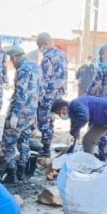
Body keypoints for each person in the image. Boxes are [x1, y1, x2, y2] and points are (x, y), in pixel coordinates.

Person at [1, 44, 40, 184]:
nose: (12, 63)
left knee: (7, 143)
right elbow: (38, 91)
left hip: (21, 112)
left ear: (15, 57)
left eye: (11, 59)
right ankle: (21, 173)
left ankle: (11, 174)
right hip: (30, 112)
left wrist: (15, 114)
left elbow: (21, 93)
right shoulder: (35, 66)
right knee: (24, 142)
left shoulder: (23, 69)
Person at [62, 95, 107, 160]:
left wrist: (75, 130)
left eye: (61, 111)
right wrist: (73, 133)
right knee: (88, 140)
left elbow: (84, 118)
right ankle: (90, 162)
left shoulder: (77, 104)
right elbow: (74, 123)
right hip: (103, 120)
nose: (61, 114)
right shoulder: (72, 111)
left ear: (65, 107)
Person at [35, 32, 68, 160]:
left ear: (45, 44)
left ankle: (46, 148)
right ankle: (47, 145)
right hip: (58, 94)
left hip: (48, 94)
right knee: (51, 119)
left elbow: (44, 79)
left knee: (44, 120)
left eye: (40, 46)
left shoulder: (47, 58)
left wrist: (39, 97)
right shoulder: (62, 54)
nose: (40, 49)